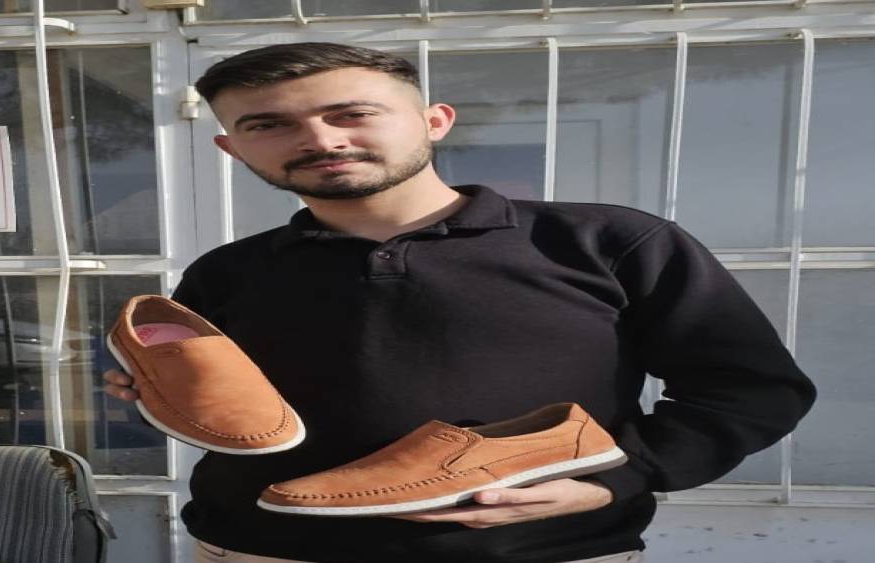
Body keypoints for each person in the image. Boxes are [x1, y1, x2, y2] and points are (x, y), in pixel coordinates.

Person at [103, 42, 816, 563]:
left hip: (546, 551)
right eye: (268, 125)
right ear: (233, 149)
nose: (320, 139)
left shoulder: (608, 243)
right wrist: (158, 396)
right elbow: (228, 410)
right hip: (257, 548)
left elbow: (751, 390)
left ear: (435, 120)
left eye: (352, 112)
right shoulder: (227, 272)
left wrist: (620, 479)